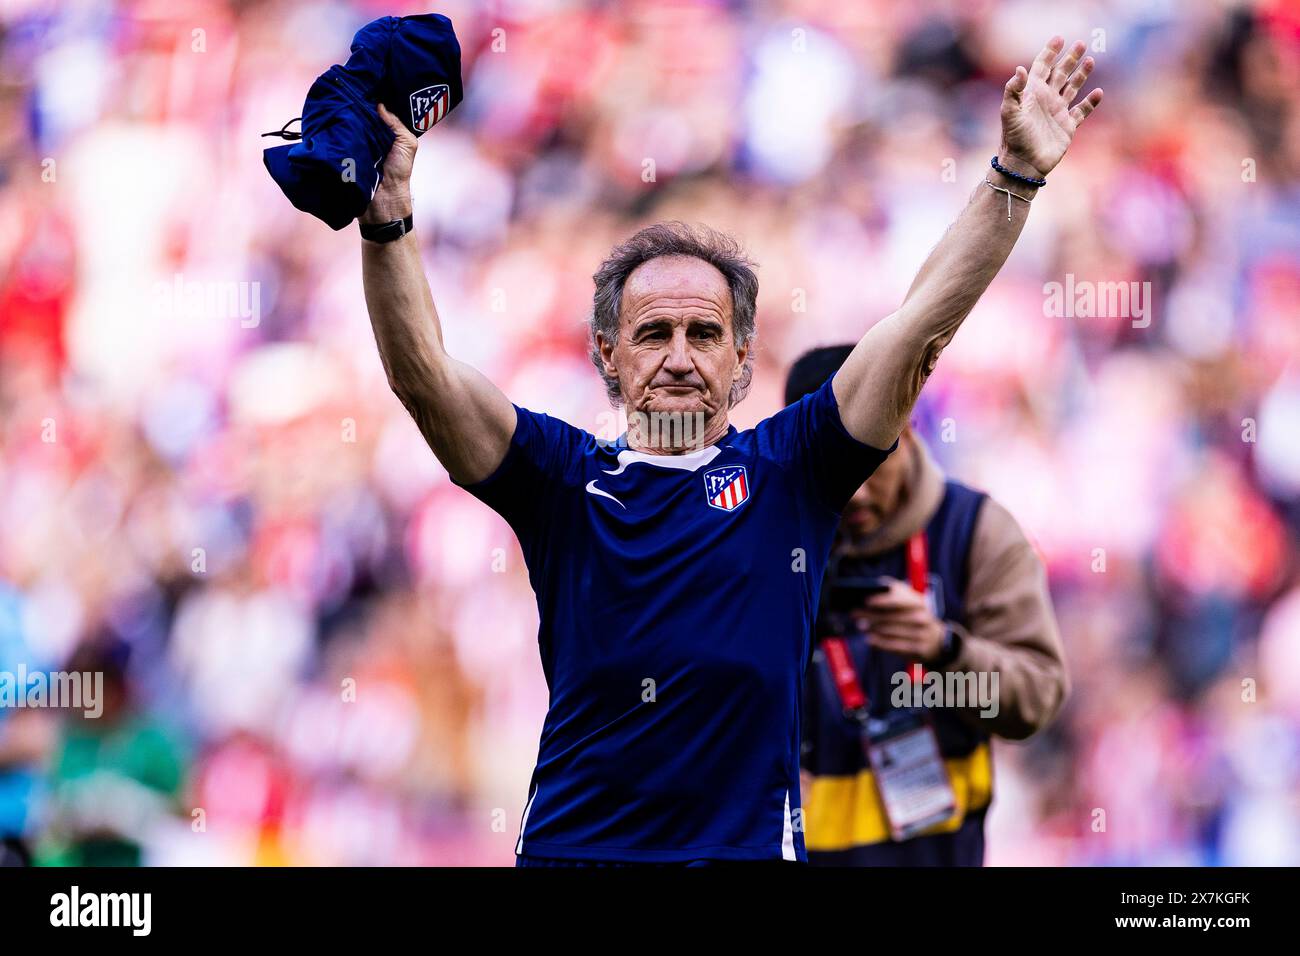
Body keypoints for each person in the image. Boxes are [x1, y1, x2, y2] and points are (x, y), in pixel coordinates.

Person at [357, 37, 1102, 864]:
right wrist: (386, 218)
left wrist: (1013, 178)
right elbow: (422, 376)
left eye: (705, 333)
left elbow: (922, 325)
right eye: (653, 333)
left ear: (745, 358)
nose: (679, 355)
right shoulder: (560, 480)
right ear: (607, 353)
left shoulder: (795, 470)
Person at [788, 345, 1068, 865]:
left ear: (909, 429)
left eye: (871, 463)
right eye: (835, 471)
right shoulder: (770, 535)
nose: (857, 494)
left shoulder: (976, 531)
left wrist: (945, 652)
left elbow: (1037, 698)